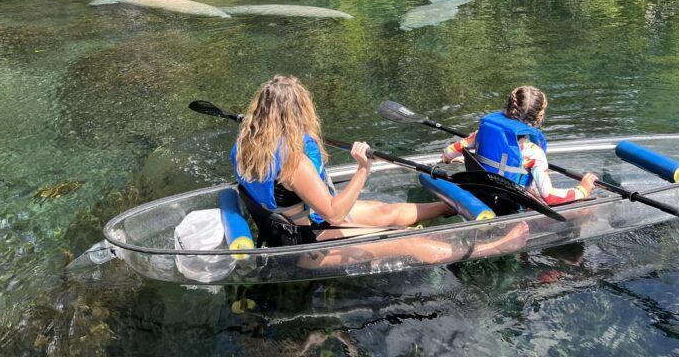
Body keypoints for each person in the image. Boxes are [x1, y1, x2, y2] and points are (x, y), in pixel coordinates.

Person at [231, 75, 528, 264]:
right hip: (308, 247)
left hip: (293, 225)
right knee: (409, 242)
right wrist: (363, 168)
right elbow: (333, 213)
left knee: (386, 211)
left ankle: (451, 205)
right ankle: (496, 247)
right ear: (299, 112)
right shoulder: (294, 162)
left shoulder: (248, 144)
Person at [441, 86, 598, 206]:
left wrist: (452, 159)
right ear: (539, 118)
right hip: (513, 202)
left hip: (482, 190)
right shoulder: (534, 153)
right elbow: (549, 197)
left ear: (508, 109)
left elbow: (448, 152)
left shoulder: (480, 133)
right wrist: (582, 190)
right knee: (577, 203)